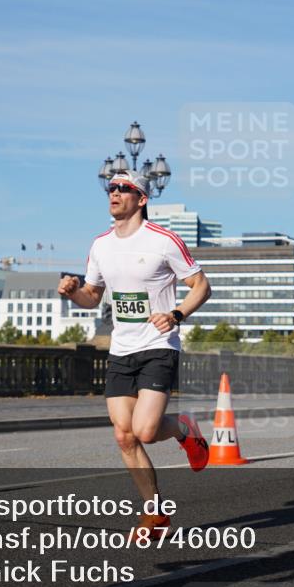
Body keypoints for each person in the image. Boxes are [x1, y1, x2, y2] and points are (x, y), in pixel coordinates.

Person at [59, 170, 212, 539]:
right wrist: (72, 292)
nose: (114, 193)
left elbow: (201, 286)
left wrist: (176, 315)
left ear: (141, 198)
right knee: (124, 437)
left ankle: (182, 427)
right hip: (121, 349)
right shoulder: (100, 245)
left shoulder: (163, 240)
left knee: (144, 430)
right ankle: (155, 514)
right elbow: (92, 297)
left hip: (158, 346)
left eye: (123, 188)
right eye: (111, 187)